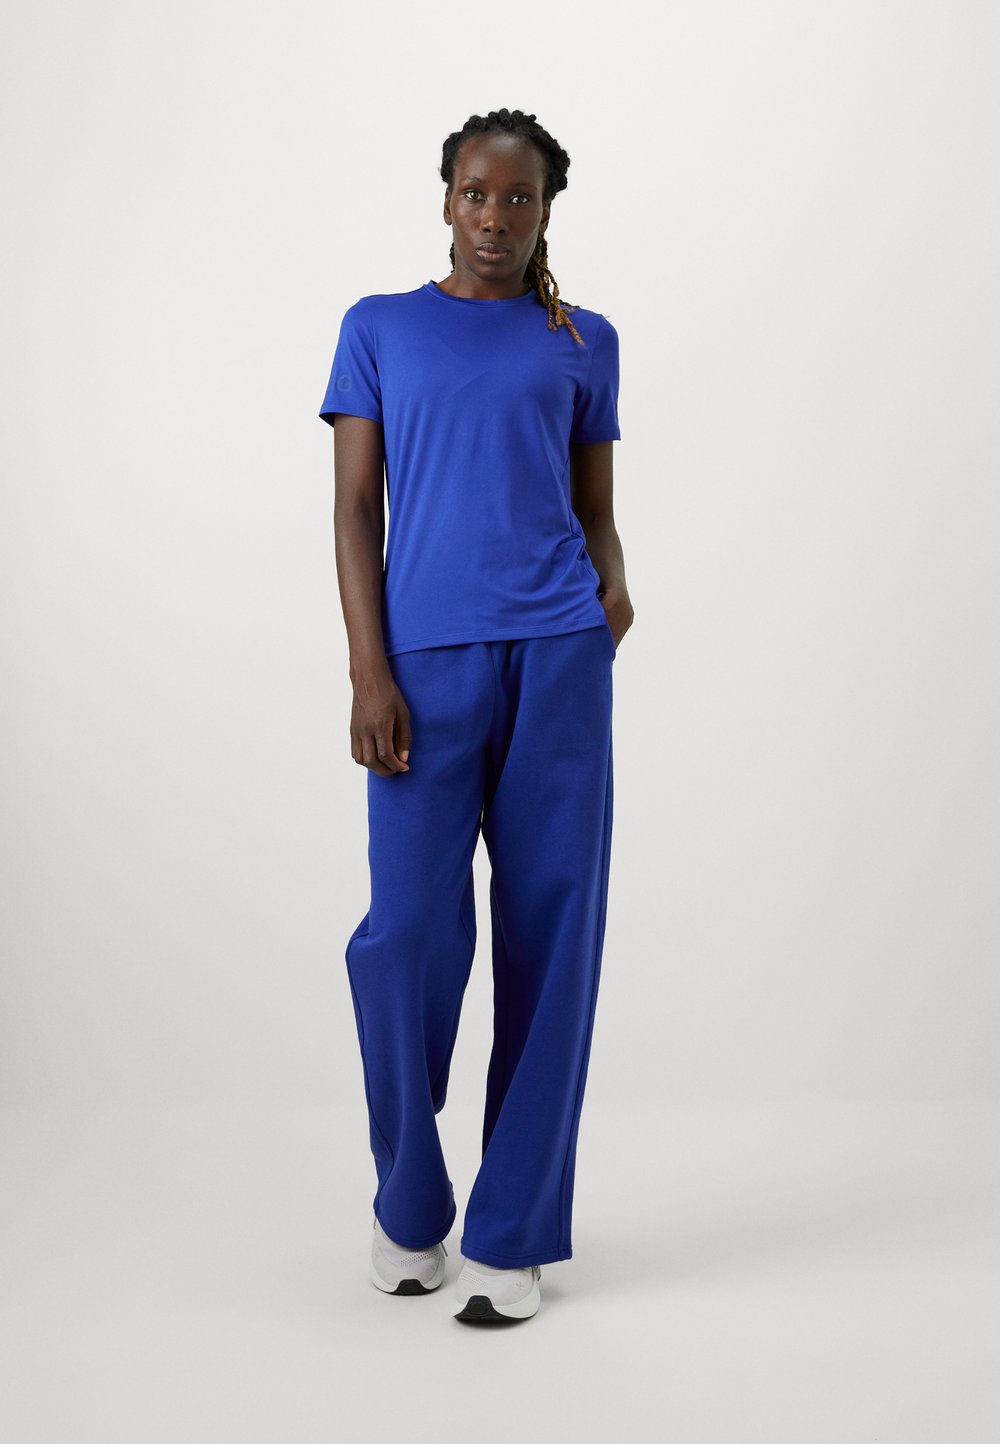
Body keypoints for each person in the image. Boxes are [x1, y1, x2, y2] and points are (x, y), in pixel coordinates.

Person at [317, 107, 633, 1324]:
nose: (495, 217)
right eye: (475, 193)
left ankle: (512, 1232)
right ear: (445, 197)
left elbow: (594, 507)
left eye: (519, 198)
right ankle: (409, 1205)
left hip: (558, 658)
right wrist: (369, 670)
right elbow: (355, 510)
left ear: (547, 210)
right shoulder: (378, 327)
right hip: (422, 667)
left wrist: (609, 592)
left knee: (554, 936)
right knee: (402, 933)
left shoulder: (583, 339)